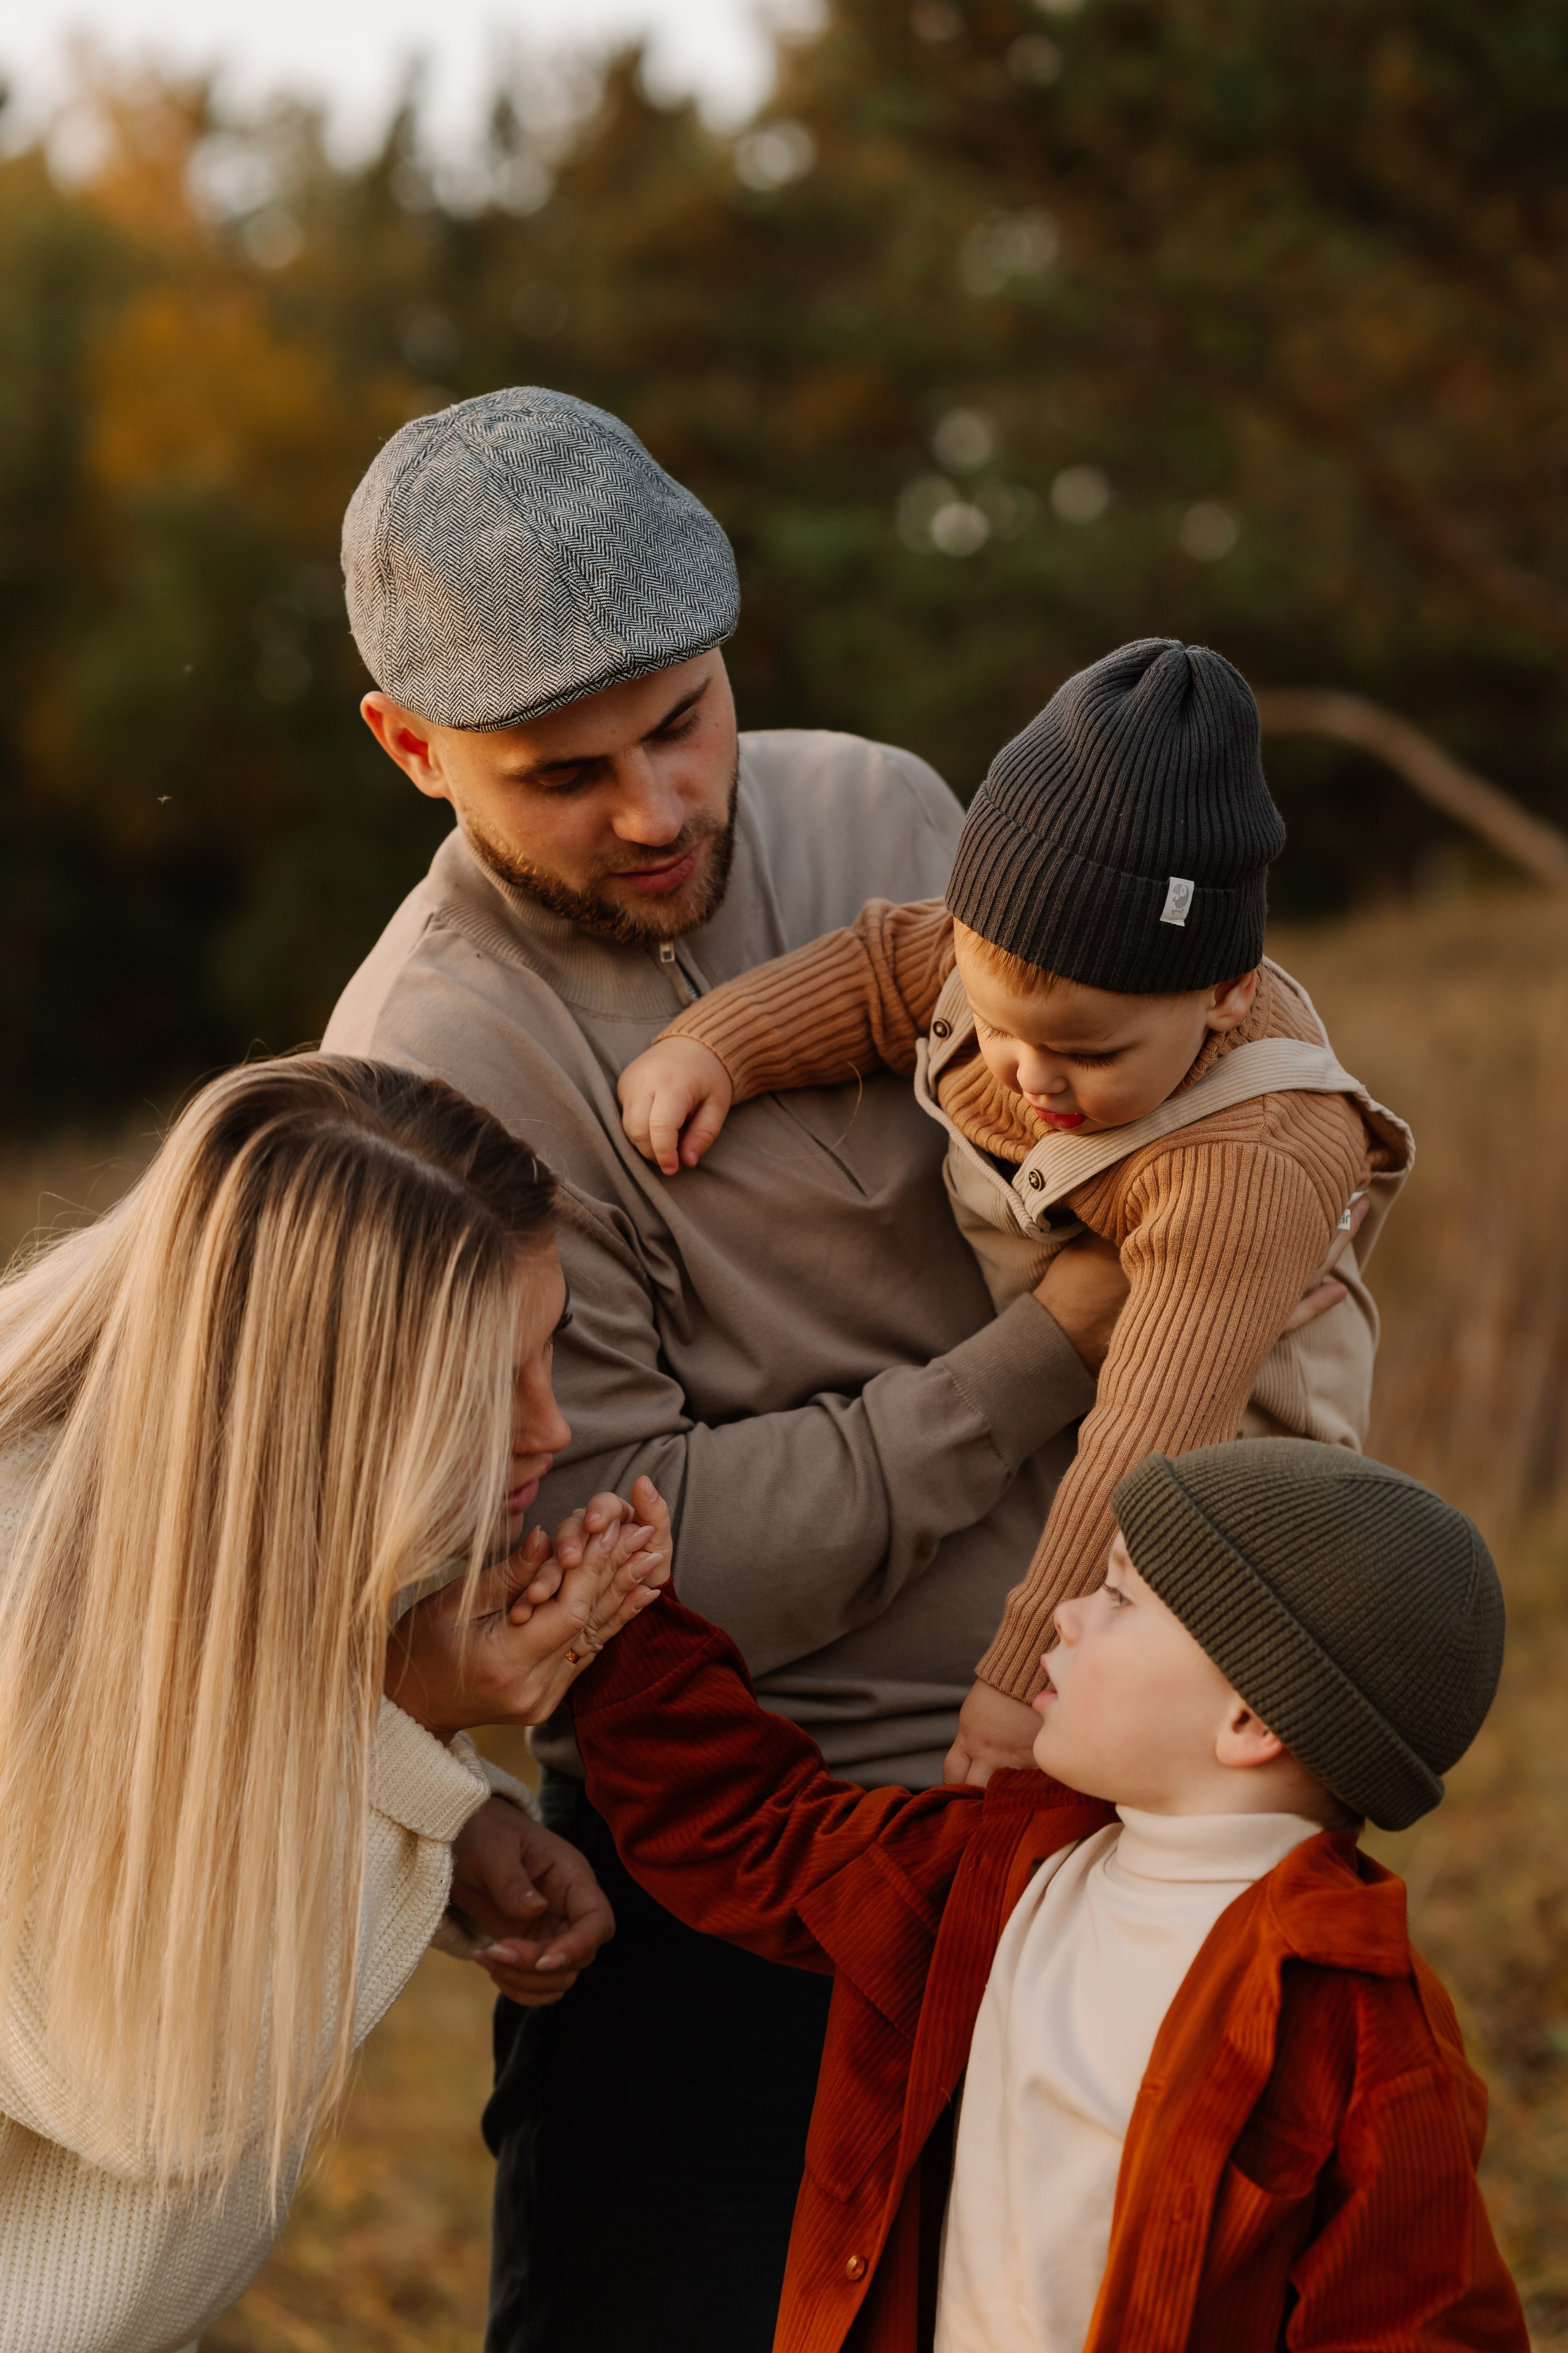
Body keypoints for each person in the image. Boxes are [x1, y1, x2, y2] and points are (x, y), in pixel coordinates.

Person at [325, 390, 1354, 2352]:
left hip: (1122, 1796)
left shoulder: (889, 811)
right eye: (563, 772)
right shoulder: (425, 1073)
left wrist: (1249, 1208)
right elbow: (629, 1566)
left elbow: (1152, 1066)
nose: (655, 808)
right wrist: (1064, 1338)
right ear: (409, 747)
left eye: (683, 720)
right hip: (751, 1869)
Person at [616, 636, 1412, 1786]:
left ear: (1225, 996)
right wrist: (717, 1044)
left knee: (1182, 1754)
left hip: (1219, 1458)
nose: (1031, 1077)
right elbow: (877, 971)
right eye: (998, 1027)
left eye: (1088, 1053)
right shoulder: (990, 959)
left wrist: (1021, 1683)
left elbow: (1149, 1451)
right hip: (1081, 1391)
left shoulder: (1249, 1155)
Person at [568, 1437, 1528, 2353]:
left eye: (1119, 1594)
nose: (1067, 1614)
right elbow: (763, 1832)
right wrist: (621, 1628)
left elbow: (1413, 2326)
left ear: (1247, 1718)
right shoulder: (1010, 1864)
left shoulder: (1359, 2025)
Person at [0, 1056, 668, 2353]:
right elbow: (164, 2096)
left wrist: (455, 1811)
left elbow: (221, 1722)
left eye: (550, 1353)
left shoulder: (180, 1490)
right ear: (330, 1404)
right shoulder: (21, 1585)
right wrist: (415, 1717)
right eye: (491, 1389)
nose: (552, 1426)